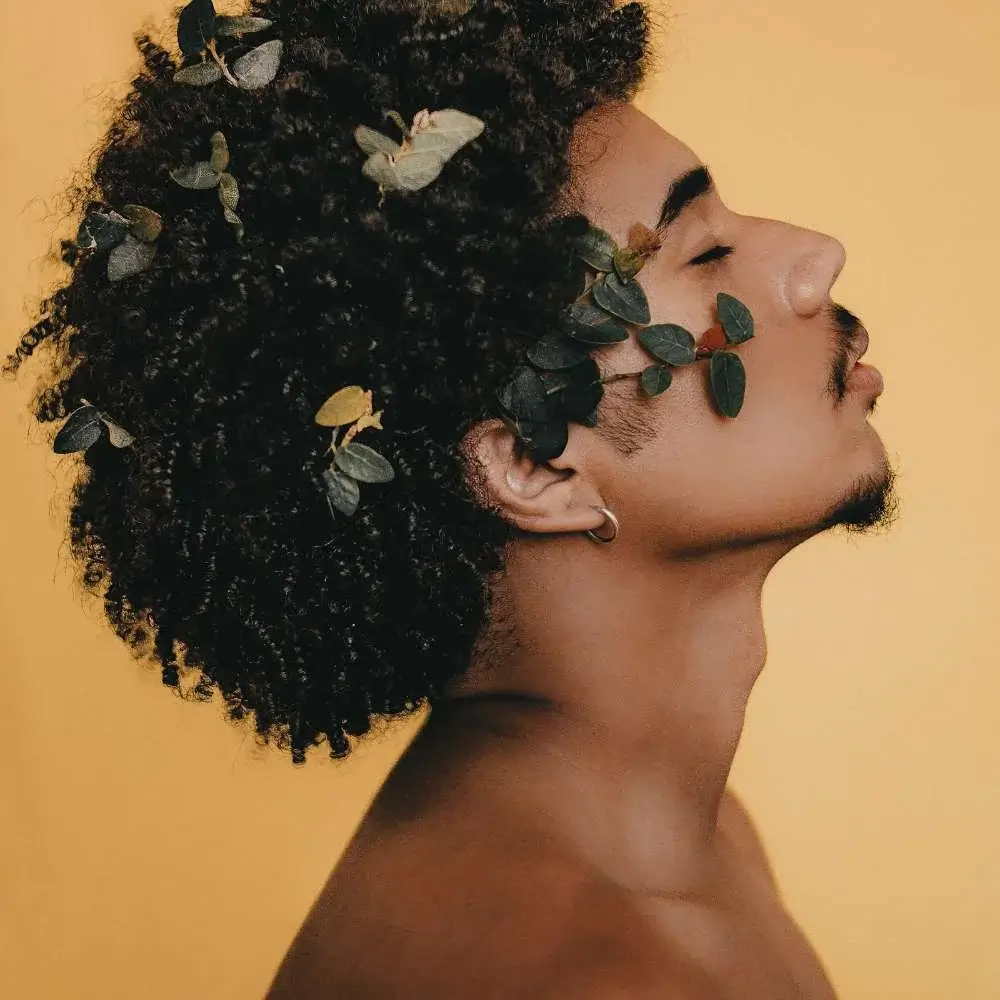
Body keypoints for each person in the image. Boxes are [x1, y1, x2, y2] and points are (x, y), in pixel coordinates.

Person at [6, 0, 898, 996]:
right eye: (703, 254)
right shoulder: (604, 972)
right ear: (532, 465)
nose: (815, 256)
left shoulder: (681, 841)